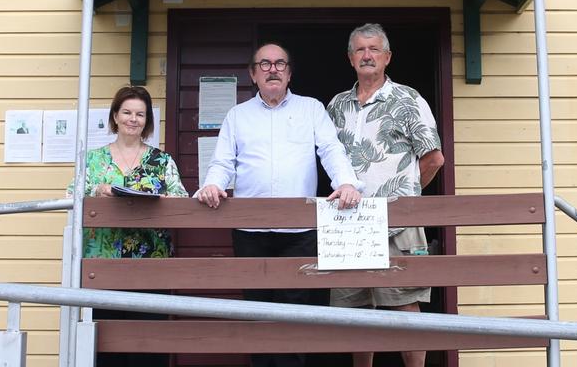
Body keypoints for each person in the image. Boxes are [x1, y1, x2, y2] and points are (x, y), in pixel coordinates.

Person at [196, 42, 362, 367]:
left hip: (298, 231)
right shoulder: (237, 115)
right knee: (256, 310)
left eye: (280, 64)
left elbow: (330, 149)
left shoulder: (311, 109)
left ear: (289, 73)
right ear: (253, 74)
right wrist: (212, 184)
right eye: (265, 64)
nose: (273, 69)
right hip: (249, 232)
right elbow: (222, 161)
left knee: (294, 310)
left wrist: (346, 182)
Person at [327, 23, 445, 367]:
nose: (367, 56)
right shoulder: (337, 105)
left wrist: (404, 197)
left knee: (404, 305)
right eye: (360, 50)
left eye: (374, 49)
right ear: (350, 59)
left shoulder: (408, 99)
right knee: (355, 310)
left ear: (387, 57)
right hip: (348, 221)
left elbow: (433, 158)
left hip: (399, 222)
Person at [76, 85, 187, 367]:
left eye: (140, 114)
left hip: (150, 264)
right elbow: (71, 197)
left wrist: (162, 199)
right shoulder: (93, 159)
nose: (132, 119)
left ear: (147, 120)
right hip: (102, 264)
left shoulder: (162, 161)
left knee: (147, 346)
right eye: (126, 112)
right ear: (115, 116)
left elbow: (183, 200)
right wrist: (96, 190)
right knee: (106, 347)